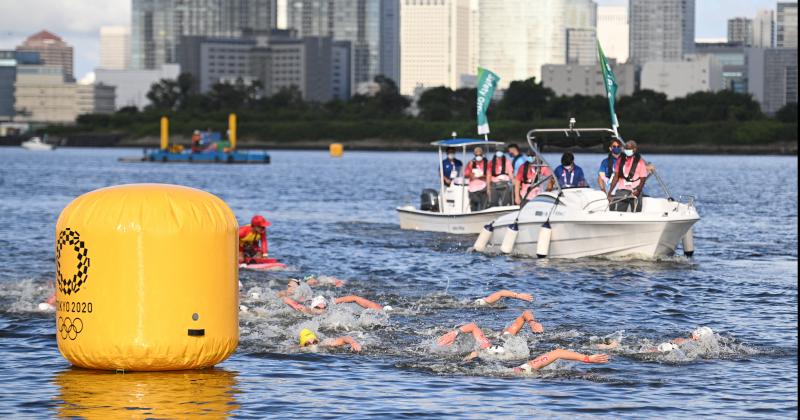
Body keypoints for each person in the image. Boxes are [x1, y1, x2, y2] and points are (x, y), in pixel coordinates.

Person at [435, 310, 546, 361]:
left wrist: (454, 333)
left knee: (475, 353)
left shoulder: (502, 337)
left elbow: (473, 326)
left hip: (494, 353)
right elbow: (526, 314)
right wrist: (532, 323)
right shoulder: (507, 335)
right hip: (506, 354)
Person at [607, 140, 649, 212]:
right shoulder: (620, 160)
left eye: (629, 148)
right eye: (626, 148)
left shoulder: (640, 162)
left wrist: (638, 190)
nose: (627, 150)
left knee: (636, 212)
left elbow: (643, 179)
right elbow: (616, 177)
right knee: (618, 212)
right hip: (622, 190)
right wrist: (610, 192)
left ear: (634, 149)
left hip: (635, 191)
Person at [514, 350, 609, 374]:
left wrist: (587, 359)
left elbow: (557, 352)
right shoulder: (524, 370)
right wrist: (587, 359)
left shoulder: (523, 370)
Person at [282, 294, 387, 315]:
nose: (321, 310)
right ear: (313, 307)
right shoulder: (306, 310)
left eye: (324, 308)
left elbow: (354, 297)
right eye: (318, 308)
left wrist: (378, 309)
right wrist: (294, 305)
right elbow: (285, 299)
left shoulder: (331, 307)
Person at [464, 146, 489, 211]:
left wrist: (482, 176)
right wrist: (471, 175)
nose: (478, 156)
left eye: (480, 154)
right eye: (476, 155)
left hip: (483, 188)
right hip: (473, 189)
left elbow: (490, 175)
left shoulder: (486, 163)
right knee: (474, 205)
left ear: (482, 154)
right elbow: (465, 174)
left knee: (484, 206)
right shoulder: (471, 163)